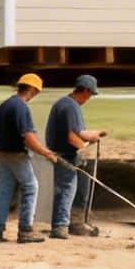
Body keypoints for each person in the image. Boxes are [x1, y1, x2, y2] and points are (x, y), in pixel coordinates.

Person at [0, 73, 61, 243]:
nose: (36, 94)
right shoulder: (21, 107)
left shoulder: (4, 106)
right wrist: (47, 153)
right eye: (37, 91)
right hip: (16, 155)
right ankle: (25, 231)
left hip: (3, 153)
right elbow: (28, 138)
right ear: (32, 89)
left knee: (5, 191)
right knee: (31, 187)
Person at [45, 74, 108, 238]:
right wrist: (85, 148)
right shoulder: (70, 106)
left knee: (75, 189)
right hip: (65, 155)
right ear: (85, 91)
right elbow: (73, 136)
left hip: (63, 153)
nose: (89, 98)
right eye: (90, 94)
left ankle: (74, 223)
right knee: (66, 190)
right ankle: (60, 227)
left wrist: (95, 134)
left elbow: (79, 132)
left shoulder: (66, 104)